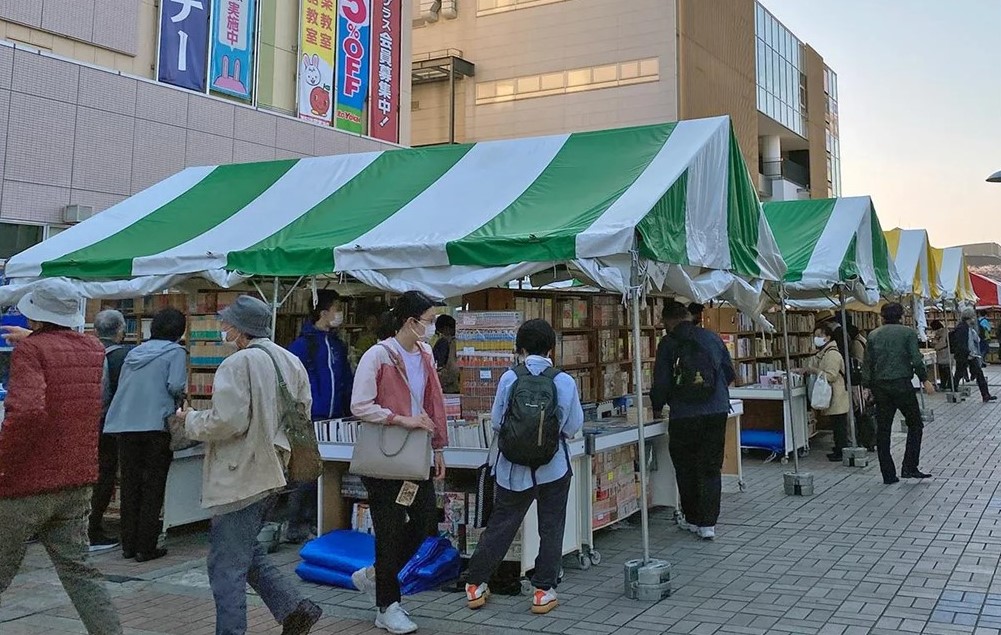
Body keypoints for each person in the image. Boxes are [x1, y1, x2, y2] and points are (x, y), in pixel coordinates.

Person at [177, 296, 322, 635]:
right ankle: (295, 609)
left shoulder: (237, 363)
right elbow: (304, 409)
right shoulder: (290, 359)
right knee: (245, 549)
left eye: (227, 324)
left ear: (240, 329)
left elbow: (227, 421)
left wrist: (191, 420)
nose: (223, 329)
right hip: (276, 468)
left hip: (240, 472)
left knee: (225, 565)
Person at [0, 279, 123, 634]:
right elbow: (65, 360)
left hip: (26, 485)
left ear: (35, 315)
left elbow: (26, 413)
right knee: (80, 573)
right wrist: (37, 343)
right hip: (76, 479)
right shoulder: (92, 347)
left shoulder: (31, 352)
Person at [464, 319, 584, 615]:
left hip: (512, 468)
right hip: (553, 467)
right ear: (551, 349)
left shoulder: (509, 378)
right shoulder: (564, 381)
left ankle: (476, 584)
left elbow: (495, 422)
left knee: (501, 525)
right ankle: (543, 591)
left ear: (520, 348)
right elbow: (573, 425)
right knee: (552, 527)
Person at [350, 291, 448, 635]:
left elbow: (433, 404)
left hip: (414, 457)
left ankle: (378, 574)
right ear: (411, 322)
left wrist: (438, 448)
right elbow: (359, 405)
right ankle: (387, 605)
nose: (432, 326)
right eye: (429, 319)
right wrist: (401, 419)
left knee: (425, 523)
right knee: (389, 529)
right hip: (385, 457)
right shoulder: (378, 356)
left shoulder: (424, 354)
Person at [104, 307, 187, 562]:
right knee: (153, 487)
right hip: (155, 425)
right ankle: (145, 546)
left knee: (130, 485)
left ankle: (128, 544)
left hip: (125, 424)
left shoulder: (135, 352)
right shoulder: (176, 353)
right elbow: (175, 385)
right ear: (179, 331)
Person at [650, 300, 736, 541]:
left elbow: (662, 381)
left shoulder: (668, 343)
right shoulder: (712, 338)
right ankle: (708, 523)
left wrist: (657, 406)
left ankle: (692, 517)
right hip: (715, 410)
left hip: (684, 414)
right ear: (688, 316)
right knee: (710, 466)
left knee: (685, 466)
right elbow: (729, 372)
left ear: (669, 320)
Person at [286, 290, 353, 543]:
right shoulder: (304, 344)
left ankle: (318, 520)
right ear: (323, 312)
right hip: (312, 417)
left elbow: (345, 378)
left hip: (337, 418)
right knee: (306, 473)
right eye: (336, 308)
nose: (340, 313)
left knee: (327, 472)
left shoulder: (337, 344)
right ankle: (297, 524)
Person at [861, 302, 937, 485]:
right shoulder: (907, 333)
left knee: (883, 429)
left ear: (882, 317)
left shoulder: (873, 335)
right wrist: (925, 379)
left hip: (880, 386)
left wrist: (866, 386)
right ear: (901, 316)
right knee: (915, 424)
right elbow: (916, 358)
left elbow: (867, 363)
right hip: (902, 384)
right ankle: (909, 466)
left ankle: (888, 474)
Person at [88, 309, 132, 551]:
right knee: (105, 476)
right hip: (110, 426)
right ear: (121, 332)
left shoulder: (85, 353)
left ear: (95, 330)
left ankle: (86, 525)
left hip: (84, 424)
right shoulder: (125, 358)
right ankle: (93, 528)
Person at [798, 322, 850, 462]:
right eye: (815, 336)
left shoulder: (832, 354)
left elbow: (831, 376)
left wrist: (813, 371)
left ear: (828, 337)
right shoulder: (824, 353)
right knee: (837, 424)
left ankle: (841, 451)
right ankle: (839, 448)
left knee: (839, 425)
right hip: (833, 394)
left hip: (836, 394)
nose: (817, 339)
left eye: (820, 336)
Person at [952, 307, 996, 403]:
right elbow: (962, 343)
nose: (974, 319)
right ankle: (953, 391)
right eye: (973, 317)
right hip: (965, 355)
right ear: (969, 317)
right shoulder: (962, 328)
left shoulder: (968, 327)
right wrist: (967, 352)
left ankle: (985, 395)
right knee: (959, 373)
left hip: (970, 355)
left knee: (978, 374)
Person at [432, 314, 460, 393]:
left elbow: (438, 364)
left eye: (439, 333)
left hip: (448, 387)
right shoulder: (463, 341)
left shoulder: (444, 342)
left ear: (445, 329)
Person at [929, 320, 952, 391]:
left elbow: (942, 343)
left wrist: (935, 346)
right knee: (943, 370)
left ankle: (949, 384)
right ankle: (945, 384)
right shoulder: (942, 332)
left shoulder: (943, 332)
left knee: (945, 370)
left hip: (945, 353)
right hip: (943, 354)